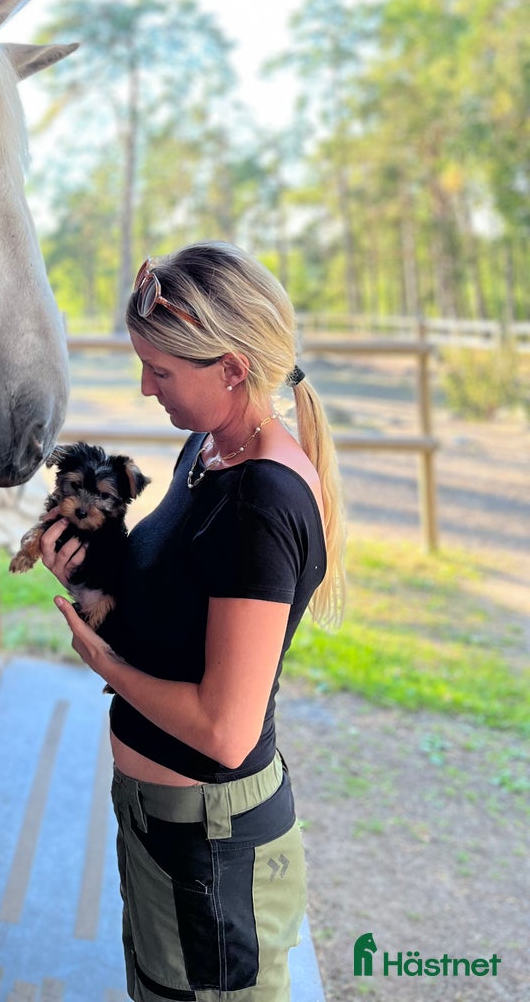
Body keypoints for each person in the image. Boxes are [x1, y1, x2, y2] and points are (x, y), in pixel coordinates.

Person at [40, 241, 346, 1002]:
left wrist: (105, 665)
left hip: (208, 842)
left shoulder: (261, 504)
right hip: (163, 822)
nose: (145, 388)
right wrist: (88, 576)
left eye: (162, 371)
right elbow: (175, 615)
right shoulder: (208, 450)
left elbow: (223, 729)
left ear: (233, 369)